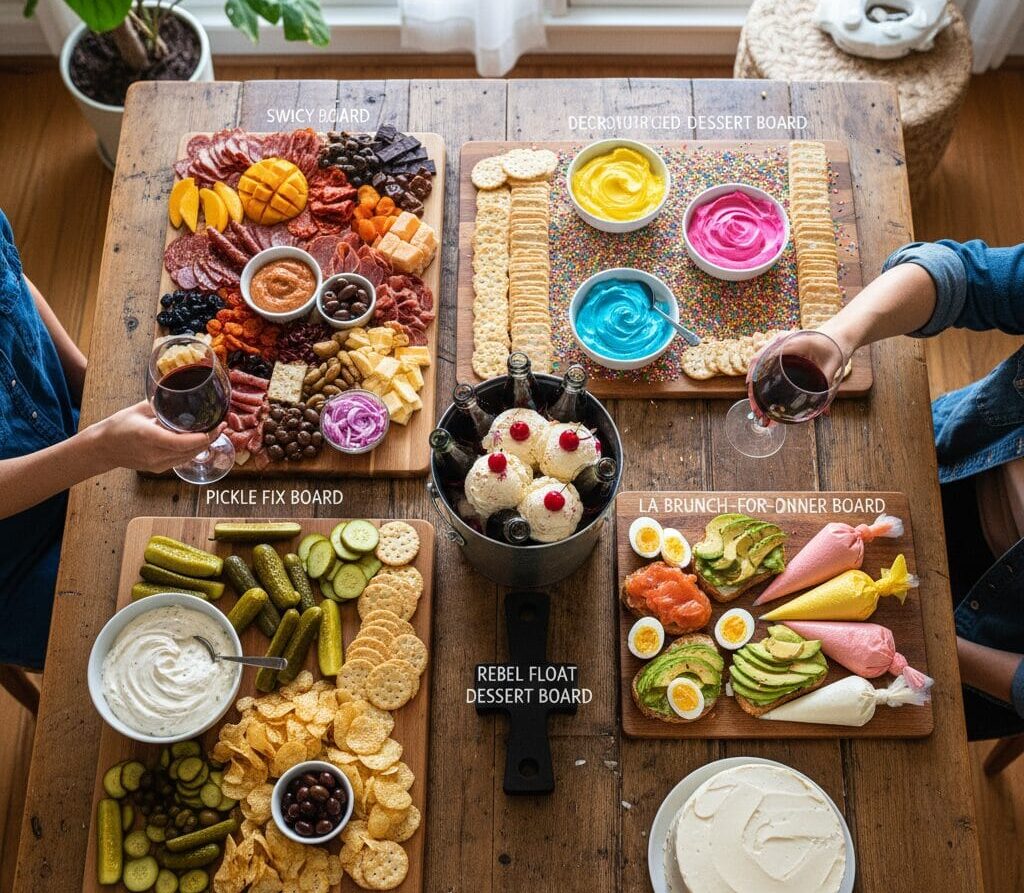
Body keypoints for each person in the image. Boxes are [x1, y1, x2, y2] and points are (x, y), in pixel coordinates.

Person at [775, 238, 1024, 740]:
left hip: (984, 646)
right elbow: (960, 274)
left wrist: (924, 641)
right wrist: (839, 337)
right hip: (943, 459)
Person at [0, 209, 215, 671]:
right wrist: (99, 447)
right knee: (169, 648)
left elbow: (12, 277)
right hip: (13, 564)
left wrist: (89, 385)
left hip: (76, 438)